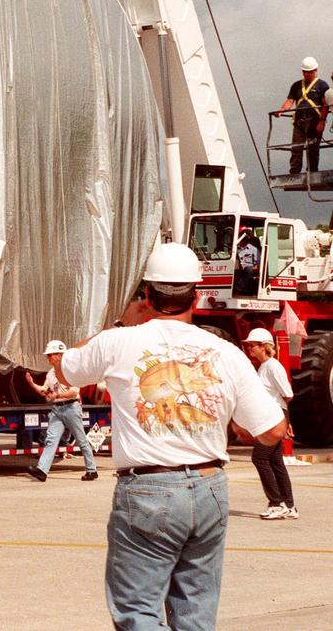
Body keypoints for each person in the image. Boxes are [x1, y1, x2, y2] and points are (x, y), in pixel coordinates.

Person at [60, 243, 285, 630]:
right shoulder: (225, 352)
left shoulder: (121, 342)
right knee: (196, 611)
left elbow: (66, 370)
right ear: (195, 296)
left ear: (147, 294)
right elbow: (273, 430)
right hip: (211, 484)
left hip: (148, 489)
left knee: (138, 611)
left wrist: (120, 323)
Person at [242, 328, 297, 520]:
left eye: (253, 345)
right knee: (276, 461)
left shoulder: (273, 366)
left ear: (265, 346)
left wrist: (285, 421)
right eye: (249, 345)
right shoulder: (263, 366)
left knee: (259, 458)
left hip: (273, 417)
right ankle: (289, 506)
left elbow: (287, 394)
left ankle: (276, 503)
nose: (250, 348)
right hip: (271, 416)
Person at [25, 340, 98, 482]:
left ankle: (92, 470)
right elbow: (44, 391)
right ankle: (42, 470)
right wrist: (32, 383)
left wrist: (57, 396)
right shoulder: (51, 374)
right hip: (58, 409)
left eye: (51, 355)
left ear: (59, 355)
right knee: (51, 440)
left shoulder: (70, 370)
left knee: (81, 439)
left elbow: (74, 391)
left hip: (71, 407)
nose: (49, 358)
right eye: (48, 355)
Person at [279, 56, 328, 173]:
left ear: (315, 70)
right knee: (296, 147)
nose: (307, 74)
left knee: (313, 148)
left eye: (309, 72)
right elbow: (290, 101)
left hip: (315, 122)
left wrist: (322, 121)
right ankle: (294, 172)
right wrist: (281, 110)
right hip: (299, 122)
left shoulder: (322, 85)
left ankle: (312, 172)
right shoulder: (296, 86)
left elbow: (325, 105)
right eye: (305, 72)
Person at [233, 230, 262, 296]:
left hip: (250, 268)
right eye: (242, 238)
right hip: (236, 267)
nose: (244, 241)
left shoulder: (254, 249)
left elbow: (260, 264)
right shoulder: (234, 248)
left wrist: (251, 267)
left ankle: (240, 287)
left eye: (246, 239)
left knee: (248, 269)